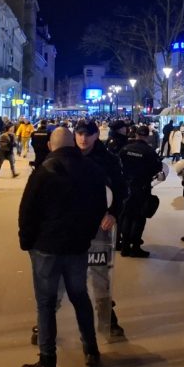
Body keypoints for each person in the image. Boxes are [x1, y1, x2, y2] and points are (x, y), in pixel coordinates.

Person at [18, 127, 114, 367]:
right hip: (77, 247)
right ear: (72, 144)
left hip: (45, 247)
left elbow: (27, 211)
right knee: (80, 296)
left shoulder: (43, 171)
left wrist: (27, 242)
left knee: (46, 304)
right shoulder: (92, 170)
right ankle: (91, 349)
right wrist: (86, 235)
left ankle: (47, 362)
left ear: (51, 146)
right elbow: (99, 206)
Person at [73, 119, 128, 337]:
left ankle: (107, 319)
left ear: (96, 135)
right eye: (79, 134)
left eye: (87, 134)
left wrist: (114, 212)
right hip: (70, 225)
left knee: (100, 273)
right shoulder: (67, 156)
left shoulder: (108, 160)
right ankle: (47, 320)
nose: (83, 138)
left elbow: (122, 189)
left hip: (98, 225)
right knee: (61, 274)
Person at [119, 125, 164, 258]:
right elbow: (157, 168)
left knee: (126, 215)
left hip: (126, 187)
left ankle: (125, 247)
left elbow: (118, 163)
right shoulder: (149, 151)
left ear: (137, 134)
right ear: (147, 136)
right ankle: (136, 247)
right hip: (142, 187)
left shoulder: (125, 148)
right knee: (139, 217)